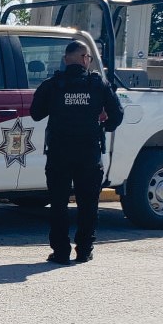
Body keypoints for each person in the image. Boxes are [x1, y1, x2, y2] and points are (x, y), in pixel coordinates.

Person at [30, 40, 124, 265]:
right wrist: (102, 126)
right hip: (88, 154)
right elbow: (117, 115)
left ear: (66, 60)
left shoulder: (53, 84)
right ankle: (84, 251)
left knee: (59, 204)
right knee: (88, 204)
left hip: (59, 154)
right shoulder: (98, 84)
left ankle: (61, 252)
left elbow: (35, 114)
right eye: (89, 58)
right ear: (85, 59)